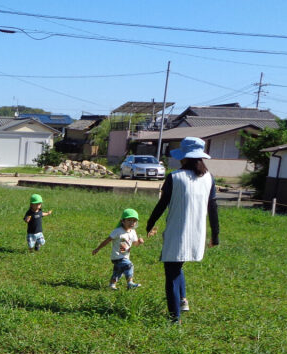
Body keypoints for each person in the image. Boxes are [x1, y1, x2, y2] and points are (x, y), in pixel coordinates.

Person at [145, 137, 220, 323]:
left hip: (177, 233)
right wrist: (215, 235)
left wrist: (150, 223)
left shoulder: (175, 177)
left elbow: (162, 204)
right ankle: (182, 301)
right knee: (177, 267)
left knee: (171, 273)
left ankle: (174, 318)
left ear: (184, 157)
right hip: (197, 233)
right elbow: (213, 208)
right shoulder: (209, 178)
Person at [92, 208, 145, 290]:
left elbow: (135, 244)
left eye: (134, 221)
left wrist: (139, 242)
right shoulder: (117, 231)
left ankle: (112, 285)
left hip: (125, 256)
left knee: (118, 272)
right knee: (129, 265)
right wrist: (98, 248)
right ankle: (130, 283)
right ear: (123, 221)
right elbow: (107, 240)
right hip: (117, 257)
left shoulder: (133, 232)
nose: (132, 222)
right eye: (129, 220)